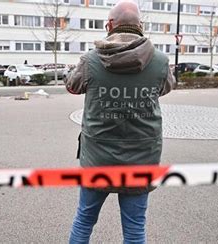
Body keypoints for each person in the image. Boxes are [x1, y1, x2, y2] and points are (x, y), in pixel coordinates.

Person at [65, 1, 175, 243]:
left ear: (110, 25)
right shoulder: (160, 60)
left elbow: (72, 86)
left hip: (97, 159)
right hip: (142, 158)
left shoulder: (91, 60)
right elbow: (165, 88)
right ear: (141, 26)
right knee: (135, 228)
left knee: (84, 220)